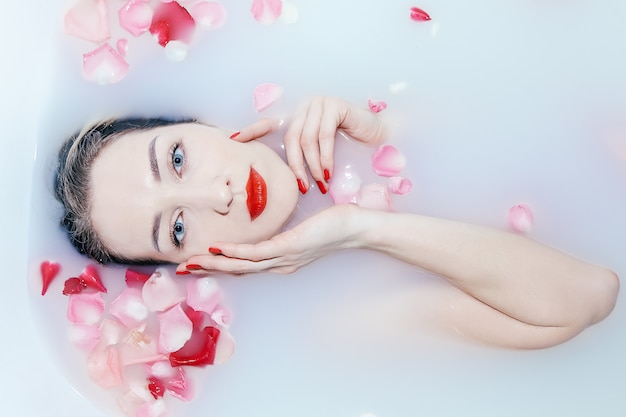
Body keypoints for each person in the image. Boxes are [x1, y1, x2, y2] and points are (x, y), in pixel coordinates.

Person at [56, 96, 619, 349]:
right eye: (176, 228)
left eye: (178, 158)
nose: (217, 193)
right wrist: (361, 229)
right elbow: (592, 295)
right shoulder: (340, 317)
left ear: (200, 124)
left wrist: (390, 126)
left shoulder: (337, 114)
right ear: (192, 266)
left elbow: (546, 102)